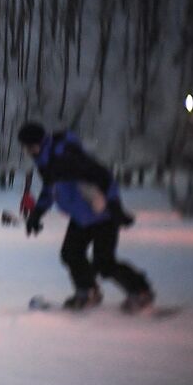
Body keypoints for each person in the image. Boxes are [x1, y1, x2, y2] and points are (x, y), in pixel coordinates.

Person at [17, 122, 154, 312]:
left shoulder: (66, 154)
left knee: (104, 262)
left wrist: (115, 206)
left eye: (31, 147)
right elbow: (50, 189)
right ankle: (88, 291)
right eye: (26, 149)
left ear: (41, 142)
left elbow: (102, 176)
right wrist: (36, 214)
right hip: (81, 218)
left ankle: (141, 292)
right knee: (70, 254)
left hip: (102, 216)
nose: (30, 152)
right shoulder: (46, 161)